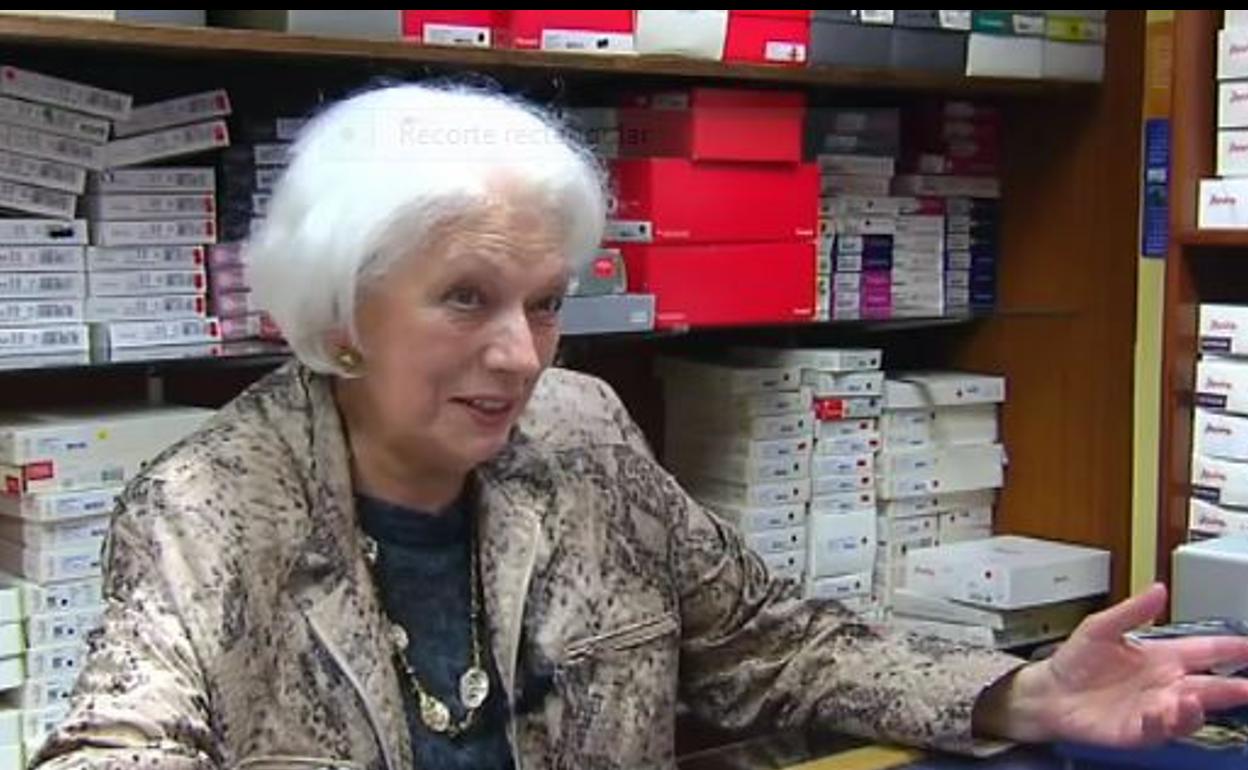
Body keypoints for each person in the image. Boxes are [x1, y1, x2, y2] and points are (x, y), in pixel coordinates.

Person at [32, 84, 1248, 770]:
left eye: (545, 302)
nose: (522, 355)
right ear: (342, 309)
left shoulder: (583, 435)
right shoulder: (209, 504)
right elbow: (120, 739)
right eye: (466, 299)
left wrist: (1020, 691)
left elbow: (774, 643)